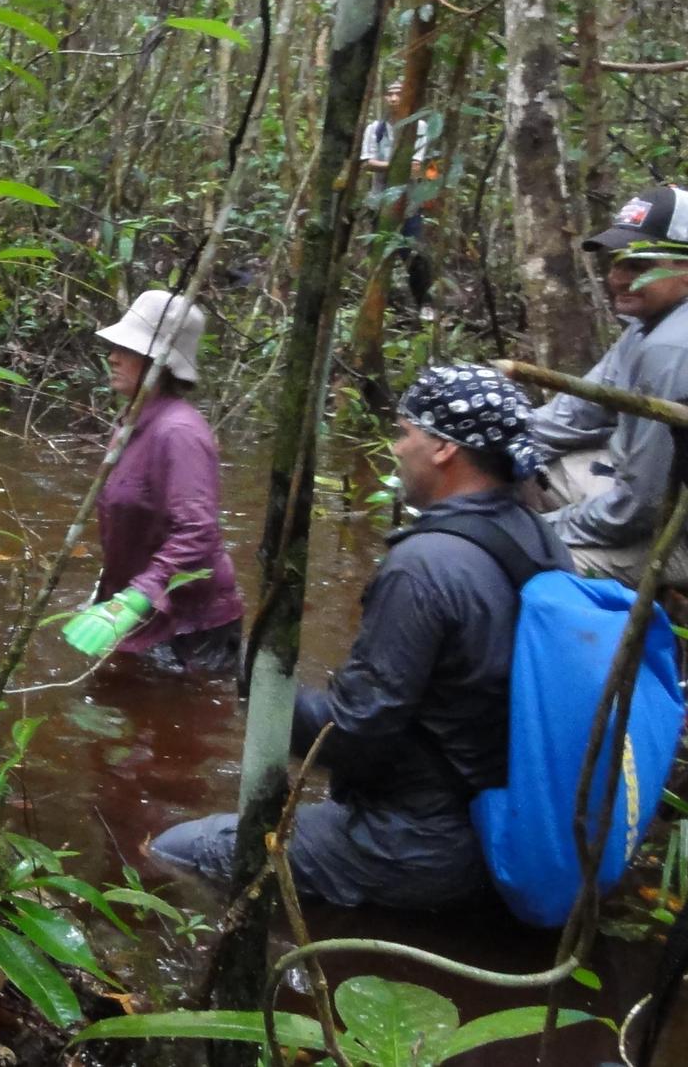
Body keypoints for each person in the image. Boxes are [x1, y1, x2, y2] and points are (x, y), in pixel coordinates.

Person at [151, 363, 565, 910]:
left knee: (172, 850)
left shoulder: (425, 565)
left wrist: (259, 681)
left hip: (423, 843)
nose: (397, 448)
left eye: (406, 433)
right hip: (512, 823)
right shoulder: (539, 539)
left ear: (445, 448)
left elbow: (352, 734)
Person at [61, 291, 243, 674]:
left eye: (127, 349)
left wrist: (136, 597)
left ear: (161, 361)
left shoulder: (178, 432)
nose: (112, 357)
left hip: (191, 630)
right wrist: (107, 593)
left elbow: (198, 531)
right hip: (145, 610)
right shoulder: (131, 422)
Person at [529, 186, 688, 587]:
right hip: (636, 488)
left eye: (638, 266)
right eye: (618, 262)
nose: (616, 279)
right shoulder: (648, 325)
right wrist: (492, 444)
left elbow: (643, 508)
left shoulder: (673, 348)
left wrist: (537, 531)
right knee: (522, 467)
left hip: (675, 527)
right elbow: (575, 415)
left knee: (522, 564)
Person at [361, 79, 438, 320]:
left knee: (414, 254)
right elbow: (367, 162)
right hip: (379, 201)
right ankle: (375, 308)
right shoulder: (375, 129)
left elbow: (415, 167)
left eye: (399, 94)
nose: (394, 98)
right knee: (378, 255)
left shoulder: (420, 127)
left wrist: (388, 166)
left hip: (409, 204)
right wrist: (396, 166)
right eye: (390, 94)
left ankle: (425, 305)